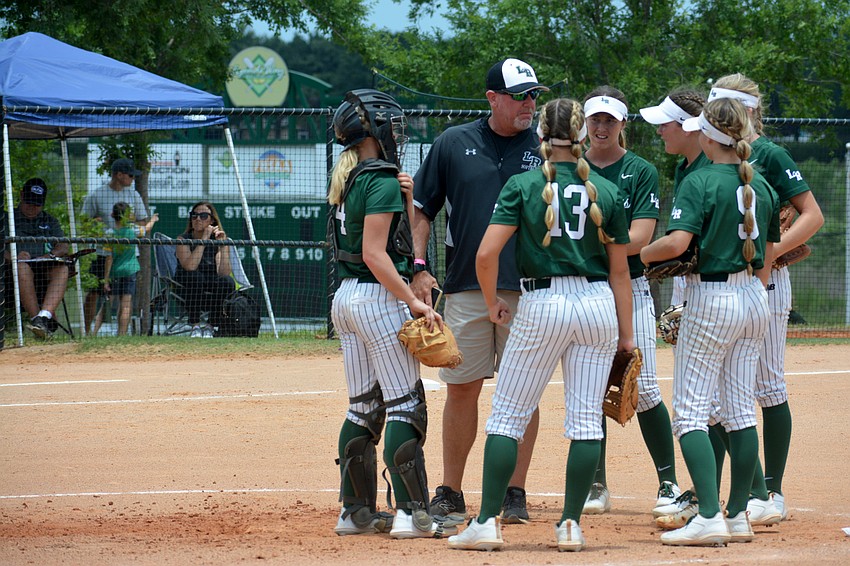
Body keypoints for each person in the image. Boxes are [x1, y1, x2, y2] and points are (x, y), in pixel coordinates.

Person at [448, 97, 633, 552]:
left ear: (541, 137)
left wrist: (492, 304)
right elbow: (621, 272)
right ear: (582, 134)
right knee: (587, 421)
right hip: (596, 306)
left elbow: (486, 255)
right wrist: (626, 336)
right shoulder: (604, 191)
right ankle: (570, 524)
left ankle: (487, 522)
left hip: (542, 302)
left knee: (508, 415)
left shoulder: (524, 183)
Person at [411, 57, 549, 525]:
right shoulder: (453, 142)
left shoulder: (545, 147)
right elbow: (423, 209)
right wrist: (419, 265)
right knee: (462, 388)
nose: (529, 103)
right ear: (492, 98)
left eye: (533, 94)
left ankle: (516, 491)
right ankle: (450, 490)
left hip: (530, 290)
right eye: (519, 95)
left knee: (523, 394)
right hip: (467, 286)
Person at [640, 97, 780, 546]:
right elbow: (769, 252)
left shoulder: (700, 180)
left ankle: (706, 514)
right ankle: (737, 514)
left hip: (713, 296)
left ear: (709, 135)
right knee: (740, 411)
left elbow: (678, 242)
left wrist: (637, 254)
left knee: (690, 414)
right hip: (755, 296)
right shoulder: (759, 181)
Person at [328, 89, 453, 539]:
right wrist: (414, 300)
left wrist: (406, 200)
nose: (397, 132)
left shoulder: (352, 177)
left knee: (363, 405)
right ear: (375, 131)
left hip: (346, 297)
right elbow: (377, 255)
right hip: (377, 298)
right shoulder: (379, 178)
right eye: (392, 125)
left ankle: (354, 512)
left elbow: (376, 245)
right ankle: (411, 515)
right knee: (405, 405)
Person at [706, 73, 824, 525]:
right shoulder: (712, 149)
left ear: (750, 109)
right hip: (722, 283)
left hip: (767, 282)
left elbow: (813, 214)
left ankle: (771, 492)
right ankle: (744, 490)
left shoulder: (770, 153)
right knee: (722, 390)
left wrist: (770, 254)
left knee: (767, 383)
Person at [579, 86, 680, 516]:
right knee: (590, 389)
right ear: (584, 122)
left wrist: (588, 246)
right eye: (595, 119)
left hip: (631, 289)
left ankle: (668, 483)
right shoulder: (570, 168)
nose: (601, 127)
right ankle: (596, 484)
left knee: (647, 387)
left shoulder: (639, 170)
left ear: (623, 124)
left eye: (610, 120)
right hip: (583, 290)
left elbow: (640, 238)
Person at [81, 158, 150, 336]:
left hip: (127, 254)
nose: (133, 178)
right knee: (94, 294)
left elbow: (143, 220)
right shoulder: (96, 195)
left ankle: (121, 336)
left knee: (125, 297)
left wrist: (131, 224)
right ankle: (87, 332)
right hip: (101, 253)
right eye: (130, 175)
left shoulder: (133, 195)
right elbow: (84, 223)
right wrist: (97, 227)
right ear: (118, 175)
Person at [3, 178, 69, 339]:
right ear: (21, 196)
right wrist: (13, 257)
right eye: (29, 202)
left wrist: (50, 255)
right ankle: (36, 321)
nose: (32, 208)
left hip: (42, 272)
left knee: (63, 268)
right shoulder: (6, 218)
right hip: (11, 277)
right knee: (22, 266)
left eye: (37, 204)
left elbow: (64, 246)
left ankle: (44, 317)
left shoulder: (49, 221)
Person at [93, 202, 158, 336]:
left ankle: (93, 333)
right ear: (128, 216)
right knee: (126, 305)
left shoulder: (110, 234)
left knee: (106, 305)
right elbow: (146, 229)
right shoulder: (132, 230)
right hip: (130, 271)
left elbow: (109, 258)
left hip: (114, 273)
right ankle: (121, 334)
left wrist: (106, 279)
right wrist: (153, 219)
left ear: (112, 215)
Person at [174, 201, 234, 338]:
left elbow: (224, 272)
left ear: (212, 220)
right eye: (194, 216)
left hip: (211, 291)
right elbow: (190, 266)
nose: (198, 219)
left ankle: (210, 326)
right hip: (187, 289)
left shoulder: (219, 240)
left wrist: (223, 246)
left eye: (203, 216)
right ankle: (195, 325)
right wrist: (204, 240)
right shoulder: (183, 239)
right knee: (195, 276)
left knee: (227, 281)